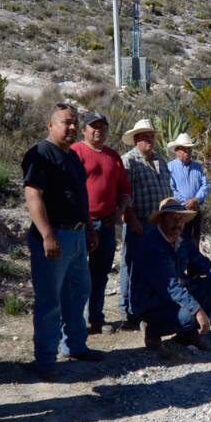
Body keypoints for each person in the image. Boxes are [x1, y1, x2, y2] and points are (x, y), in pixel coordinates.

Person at [23, 103, 104, 379]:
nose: (70, 127)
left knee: (78, 292)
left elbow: (80, 197)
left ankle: (75, 346)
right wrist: (47, 234)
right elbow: (33, 196)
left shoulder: (71, 157)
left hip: (78, 235)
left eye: (74, 122)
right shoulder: (41, 153)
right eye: (65, 122)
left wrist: (90, 229)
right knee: (50, 300)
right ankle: (45, 360)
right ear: (50, 125)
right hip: (55, 236)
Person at [129, 198, 211, 354]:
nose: (178, 223)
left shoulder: (182, 240)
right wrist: (198, 311)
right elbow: (171, 286)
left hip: (174, 294)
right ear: (162, 219)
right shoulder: (152, 245)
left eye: (181, 219)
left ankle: (186, 336)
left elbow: (204, 263)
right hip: (151, 303)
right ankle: (152, 330)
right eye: (173, 218)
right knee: (189, 316)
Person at [71, 111, 131, 335]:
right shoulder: (76, 152)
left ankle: (96, 318)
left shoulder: (113, 156)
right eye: (93, 126)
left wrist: (119, 212)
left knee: (100, 273)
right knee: (76, 274)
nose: (98, 130)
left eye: (102, 126)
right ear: (84, 129)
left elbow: (125, 189)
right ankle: (74, 321)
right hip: (80, 224)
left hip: (106, 224)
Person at [119, 118, 172, 327]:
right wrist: (130, 219)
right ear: (136, 139)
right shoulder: (128, 161)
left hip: (160, 224)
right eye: (144, 136)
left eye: (151, 135)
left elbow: (167, 191)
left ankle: (147, 308)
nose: (149, 139)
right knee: (131, 266)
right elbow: (125, 194)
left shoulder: (161, 160)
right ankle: (128, 310)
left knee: (154, 267)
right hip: (139, 221)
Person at [167, 132, 210, 243]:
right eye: (184, 150)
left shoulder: (198, 167)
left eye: (189, 149)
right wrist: (186, 203)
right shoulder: (170, 167)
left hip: (195, 211)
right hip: (179, 213)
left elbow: (205, 185)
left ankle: (193, 260)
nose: (187, 153)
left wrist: (196, 199)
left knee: (195, 241)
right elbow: (171, 189)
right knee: (179, 241)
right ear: (177, 151)